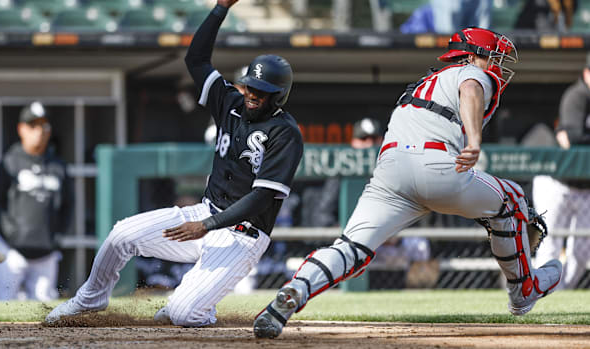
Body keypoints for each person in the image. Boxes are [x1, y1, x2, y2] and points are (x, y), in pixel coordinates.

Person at [253, 27, 563, 339]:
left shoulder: (423, 84)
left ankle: (295, 290)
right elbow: (471, 89)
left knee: (350, 248)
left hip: (390, 173)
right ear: (470, 56)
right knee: (512, 198)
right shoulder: (469, 72)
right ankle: (524, 291)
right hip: (438, 165)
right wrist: (474, 138)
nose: (495, 64)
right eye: (491, 57)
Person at [46, 0, 303, 326]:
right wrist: (221, 8)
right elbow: (195, 59)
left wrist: (206, 227)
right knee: (121, 234)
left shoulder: (285, 133)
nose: (253, 94)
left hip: (242, 235)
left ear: (278, 95)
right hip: (204, 213)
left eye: (262, 91)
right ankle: (90, 299)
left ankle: (196, 305)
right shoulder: (230, 103)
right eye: (250, 86)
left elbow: (262, 198)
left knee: (183, 313)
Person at [0, 101, 72, 301]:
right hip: (11, 250)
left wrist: (57, 236)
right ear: (21, 129)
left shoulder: (58, 166)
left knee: (43, 309)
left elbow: (68, 205)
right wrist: (9, 232)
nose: (39, 131)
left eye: (44, 125)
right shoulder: (9, 162)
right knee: (4, 304)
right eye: (33, 125)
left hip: (46, 252)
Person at [533, 58, 590, 289]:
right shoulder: (577, 95)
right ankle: (543, 294)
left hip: (585, 188)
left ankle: (560, 293)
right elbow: (571, 138)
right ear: (587, 72)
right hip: (557, 183)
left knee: (582, 250)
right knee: (550, 244)